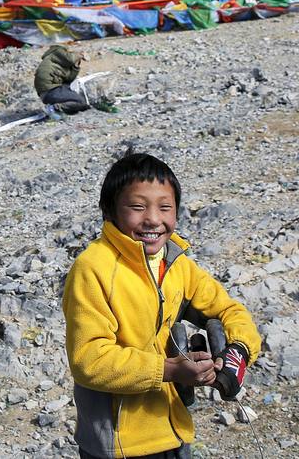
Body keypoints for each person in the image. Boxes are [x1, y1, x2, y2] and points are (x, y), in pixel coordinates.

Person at [63, 150, 262, 458]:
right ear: (110, 210)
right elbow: (89, 360)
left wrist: (236, 353)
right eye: (137, 207)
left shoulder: (175, 263)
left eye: (165, 207)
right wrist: (169, 370)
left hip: (173, 428)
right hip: (118, 443)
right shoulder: (93, 268)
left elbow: (229, 310)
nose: (153, 219)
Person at [34, 44, 113, 114]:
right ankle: (53, 108)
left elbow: (69, 80)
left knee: (81, 103)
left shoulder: (58, 64)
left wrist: (75, 67)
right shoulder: (57, 52)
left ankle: (58, 107)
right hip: (50, 91)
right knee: (80, 102)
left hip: (49, 92)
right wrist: (80, 55)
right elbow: (71, 59)